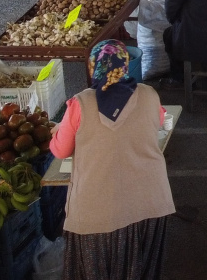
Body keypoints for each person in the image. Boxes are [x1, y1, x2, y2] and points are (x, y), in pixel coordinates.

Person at [51, 39, 175, 280]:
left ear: (93, 68)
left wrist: (56, 132)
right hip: (150, 205)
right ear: (125, 66)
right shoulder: (149, 94)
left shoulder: (80, 103)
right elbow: (157, 122)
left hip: (97, 213)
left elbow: (60, 150)